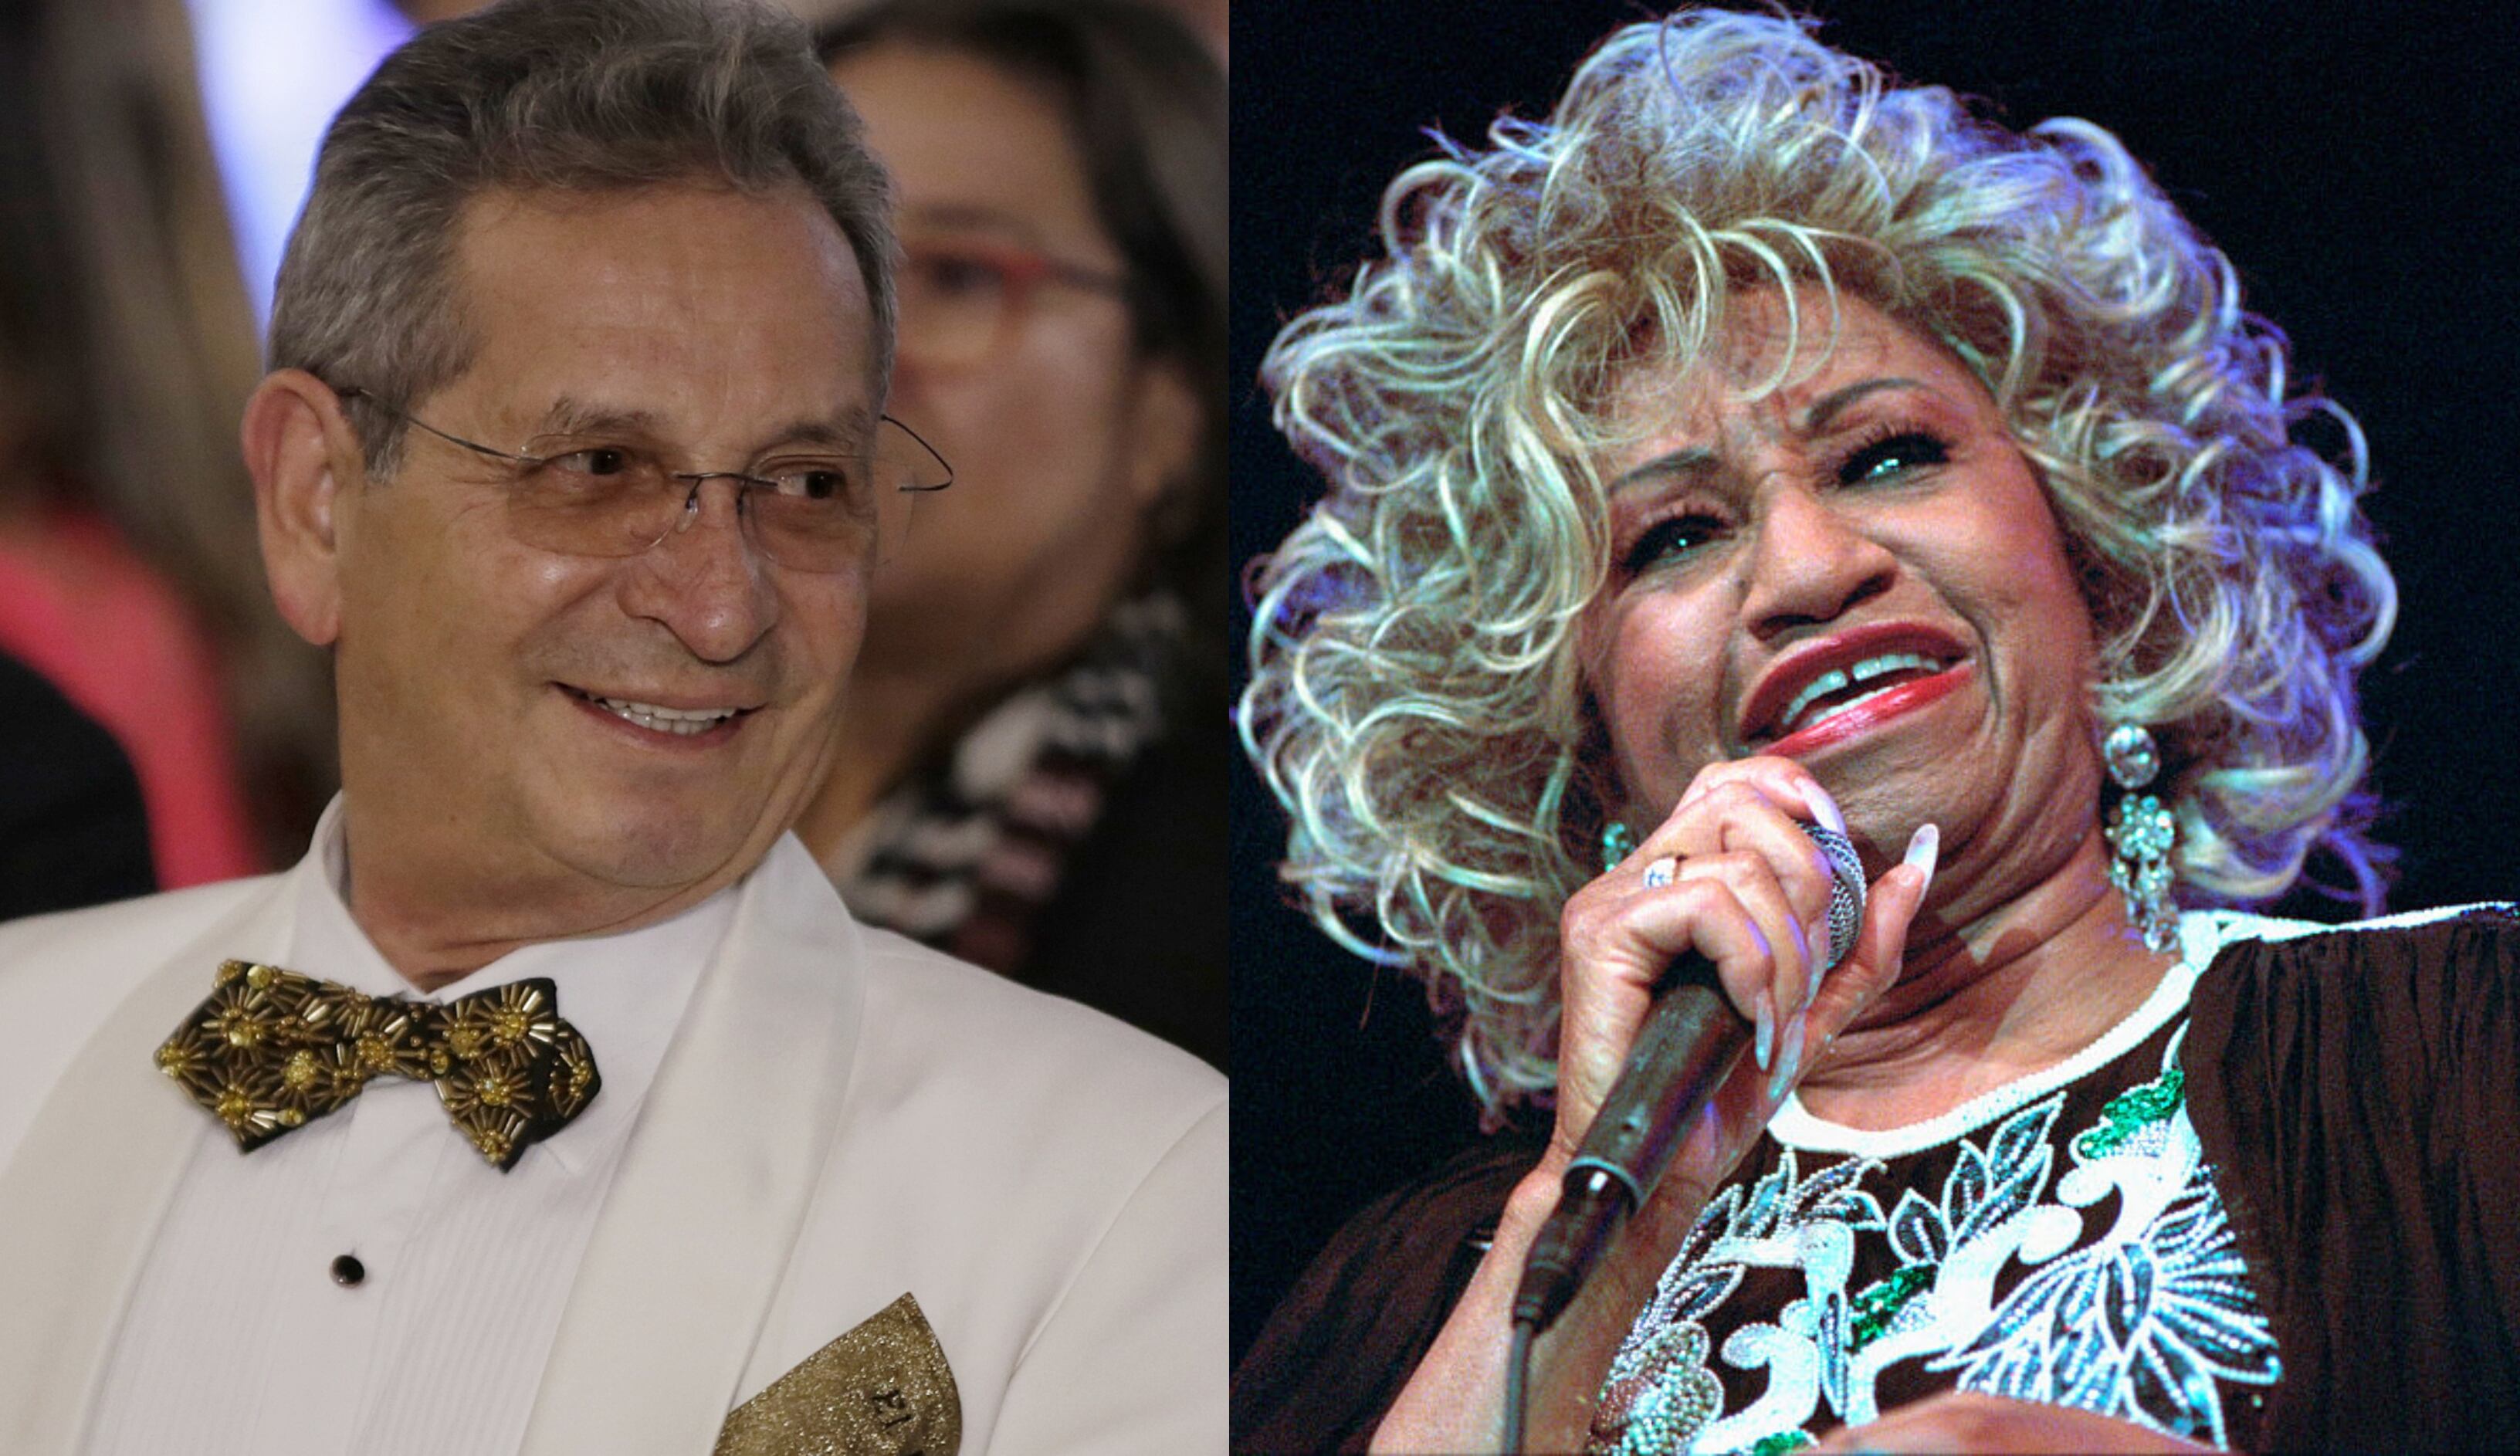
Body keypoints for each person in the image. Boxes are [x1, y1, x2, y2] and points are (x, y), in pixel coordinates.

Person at [1235, 8, 2517, 1453]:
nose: (1804, 570)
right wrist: (1612, 1215)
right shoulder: (1412, 1299)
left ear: (2097, 558)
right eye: (1672, 536)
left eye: (1887, 455)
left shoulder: (2466, 1049)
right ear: (1585, 734)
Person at [0, 2, 1224, 1451]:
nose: (721, 605)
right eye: (597, 465)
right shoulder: (24, 1037)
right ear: (317, 501)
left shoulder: (1129, 1188)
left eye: (806, 484)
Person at [798, 0, 1228, 1069]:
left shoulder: (1227, 912)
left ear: (1169, 412)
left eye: (957, 275)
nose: (846, 353)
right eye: (802, 265)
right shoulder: (570, 825)